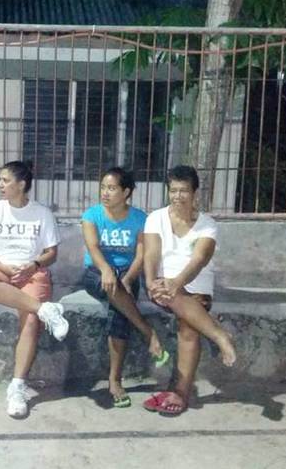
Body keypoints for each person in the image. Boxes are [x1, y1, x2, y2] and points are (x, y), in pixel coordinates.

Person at [0, 160, 69, 418]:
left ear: (22, 184)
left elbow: (51, 254)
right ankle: (45, 310)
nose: (0, 185)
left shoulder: (42, 214)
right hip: (1, 269)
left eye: (5, 180)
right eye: (0, 180)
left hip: (32, 271)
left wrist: (33, 265)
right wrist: (4, 267)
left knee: (30, 321)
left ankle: (17, 387)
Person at [142, 165, 236, 416]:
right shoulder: (155, 218)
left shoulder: (208, 225)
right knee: (171, 295)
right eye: (173, 190)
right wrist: (150, 282)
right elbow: (151, 254)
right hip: (161, 284)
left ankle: (181, 392)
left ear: (195, 193)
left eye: (183, 190)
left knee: (188, 326)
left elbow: (199, 259)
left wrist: (176, 283)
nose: (177, 196)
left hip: (195, 286)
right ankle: (219, 336)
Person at [81, 167, 167, 408]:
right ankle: (148, 333)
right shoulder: (91, 215)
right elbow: (93, 248)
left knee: (120, 312)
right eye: (103, 187)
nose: (105, 193)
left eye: (111, 188)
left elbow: (141, 254)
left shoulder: (140, 218)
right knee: (113, 291)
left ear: (126, 192)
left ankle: (115, 380)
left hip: (128, 273)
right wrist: (107, 271)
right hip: (96, 272)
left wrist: (128, 280)